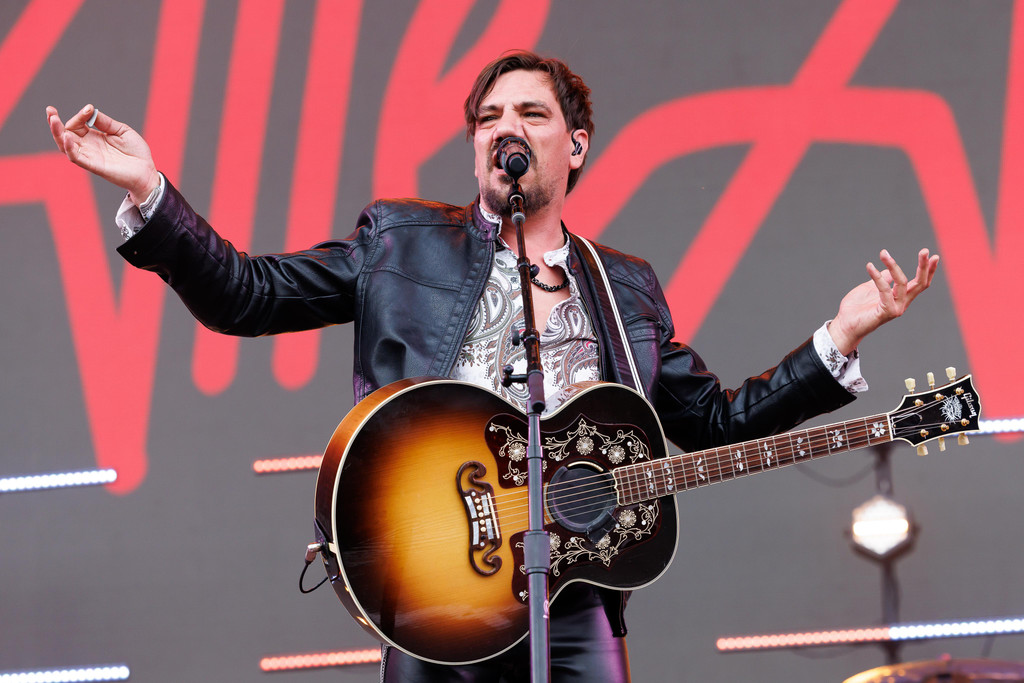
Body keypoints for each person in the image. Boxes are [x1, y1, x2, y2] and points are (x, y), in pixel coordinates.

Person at [47, 51, 938, 682]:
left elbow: (713, 421)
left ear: (575, 145)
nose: (504, 129)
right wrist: (150, 193)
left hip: (574, 605)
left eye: (531, 115)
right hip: (432, 579)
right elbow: (246, 295)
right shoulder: (399, 239)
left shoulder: (623, 285)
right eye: (488, 118)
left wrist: (839, 336)